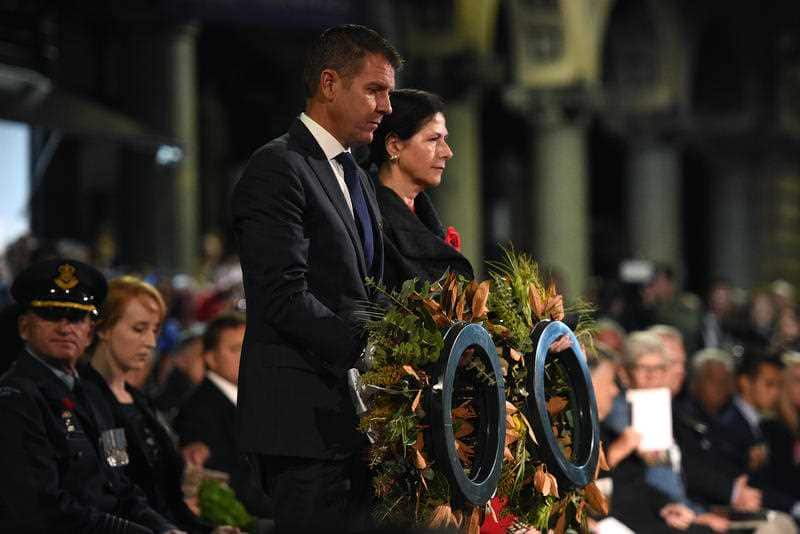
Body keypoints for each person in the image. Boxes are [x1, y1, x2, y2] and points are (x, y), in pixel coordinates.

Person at [230, 23, 402, 531]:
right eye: (375, 89)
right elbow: (283, 295)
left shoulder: (355, 175)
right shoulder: (278, 168)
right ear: (330, 84)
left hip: (354, 426)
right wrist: (372, 350)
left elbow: (368, 289)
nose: (386, 106)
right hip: (301, 428)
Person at [0, 258, 182, 533]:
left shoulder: (93, 395)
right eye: (51, 315)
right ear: (24, 327)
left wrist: (164, 528)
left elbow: (120, 482)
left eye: (76, 317)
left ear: (89, 332)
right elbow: (41, 509)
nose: (65, 328)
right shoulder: (15, 399)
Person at [83, 276, 210, 533]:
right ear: (104, 328)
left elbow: (167, 494)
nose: (151, 343)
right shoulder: (88, 399)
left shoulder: (140, 400)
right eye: (139, 329)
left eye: (155, 330)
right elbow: (117, 491)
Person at [367, 88, 473, 290]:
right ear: (394, 146)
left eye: (445, 139)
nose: (447, 152)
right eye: (433, 139)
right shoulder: (367, 218)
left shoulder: (425, 218)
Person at [174, 313, 272, 522]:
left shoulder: (255, 397)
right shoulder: (197, 409)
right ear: (210, 358)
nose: (245, 355)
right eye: (235, 349)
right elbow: (224, 478)